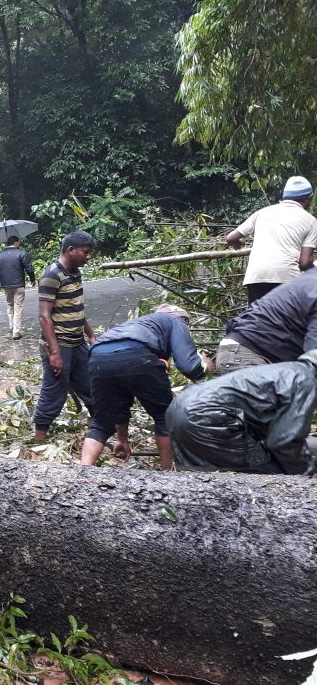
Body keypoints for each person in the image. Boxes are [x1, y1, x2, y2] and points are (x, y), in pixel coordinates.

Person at [79, 304, 213, 470]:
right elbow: (190, 367)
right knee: (164, 415)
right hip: (136, 353)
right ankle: (167, 472)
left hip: (98, 355)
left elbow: (122, 395)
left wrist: (122, 439)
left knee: (102, 421)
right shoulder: (176, 321)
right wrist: (206, 366)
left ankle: (83, 473)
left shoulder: (138, 324)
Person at [167, 349, 317, 475]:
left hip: (179, 406)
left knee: (203, 476)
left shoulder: (287, 370)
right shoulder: (305, 379)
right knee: (268, 476)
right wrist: (305, 473)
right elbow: (283, 441)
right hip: (206, 414)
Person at [32, 231, 96, 439]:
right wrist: (55, 352)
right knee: (54, 392)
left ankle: (99, 429)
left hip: (77, 343)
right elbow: (44, 316)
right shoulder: (52, 276)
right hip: (60, 344)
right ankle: (39, 436)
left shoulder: (75, 272)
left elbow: (76, 307)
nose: (89, 257)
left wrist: (91, 336)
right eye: (85, 252)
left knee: (91, 385)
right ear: (71, 250)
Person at [226, 175, 317, 304]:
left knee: (257, 320)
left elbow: (230, 238)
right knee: (285, 321)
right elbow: (304, 262)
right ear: (308, 199)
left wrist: (239, 242)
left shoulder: (262, 212)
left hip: (256, 277)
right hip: (286, 278)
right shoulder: (311, 221)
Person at [214, 268, 317, 374]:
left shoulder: (309, 280)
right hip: (248, 355)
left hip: (244, 352)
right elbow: (313, 357)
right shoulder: (313, 286)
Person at [0, 235, 36, 340]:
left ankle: (12, 325)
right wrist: (32, 279)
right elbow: (29, 268)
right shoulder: (21, 253)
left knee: (10, 305)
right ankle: (16, 331)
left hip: (6, 285)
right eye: (19, 242)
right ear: (16, 243)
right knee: (18, 306)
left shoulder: (0, 255)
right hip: (19, 285)